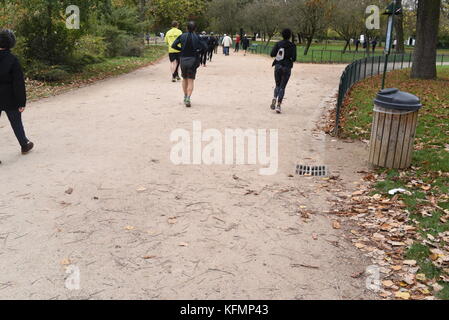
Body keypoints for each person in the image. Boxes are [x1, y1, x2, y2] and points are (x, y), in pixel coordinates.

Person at [0, 29, 34, 157]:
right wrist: (21, 102)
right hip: (10, 97)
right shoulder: (13, 60)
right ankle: (24, 145)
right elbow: (18, 83)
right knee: (16, 122)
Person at [172, 21, 207, 108]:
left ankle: (185, 96)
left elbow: (173, 45)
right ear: (195, 29)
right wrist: (198, 50)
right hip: (193, 60)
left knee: (184, 79)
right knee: (191, 80)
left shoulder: (182, 36)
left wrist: (181, 49)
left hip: (183, 59)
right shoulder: (197, 37)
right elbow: (205, 47)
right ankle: (188, 98)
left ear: (186, 28)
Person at [269, 28, 297, 114]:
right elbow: (294, 58)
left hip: (278, 65)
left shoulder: (278, 44)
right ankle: (278, 105)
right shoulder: (292, 46)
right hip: (287, 67)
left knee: (277, 85)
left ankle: (274, 97)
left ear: (282, 35)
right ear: (290, 36)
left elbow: (272, 54)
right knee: (282, 87)